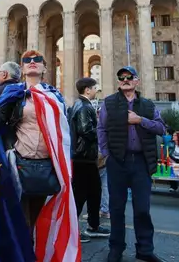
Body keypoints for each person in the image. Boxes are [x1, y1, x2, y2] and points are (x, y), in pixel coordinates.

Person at [0, 50, 80, 261]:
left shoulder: (54, 95)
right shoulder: (14, 93)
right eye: (27, 61)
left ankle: (27, 252)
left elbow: (65, 132)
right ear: (22, 69)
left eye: (37, 60)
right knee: (21, 220)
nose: (32, 63)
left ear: (45, 68)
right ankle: (21, 255)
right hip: (20, 164)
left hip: (46, 166)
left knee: (35, 218)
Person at [97, 66, 166, 262]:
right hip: (118, 161)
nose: (125, 80)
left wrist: (140, 120)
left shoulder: (148, 105)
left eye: (129, 77)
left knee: (142, 209)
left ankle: (144, 250)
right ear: (119, 82)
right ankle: (116, 249)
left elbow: (161, 128)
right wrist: (106, 154)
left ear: (136, 81)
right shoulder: (108, 103)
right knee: (116, 208)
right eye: (122, 78)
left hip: (141, 162)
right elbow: (101, 129)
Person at [70, 77, 110, 242]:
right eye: (95, 88)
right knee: (81, 195)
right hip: (83, 157)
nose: (96, 91)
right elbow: (86, 130)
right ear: (87, 89)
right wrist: (103, 132)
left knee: (94, 192)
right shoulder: (84, 106)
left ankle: (93, 225)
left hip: (84, 156)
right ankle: (73, 230)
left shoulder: (80, 105)